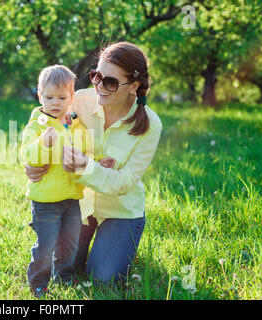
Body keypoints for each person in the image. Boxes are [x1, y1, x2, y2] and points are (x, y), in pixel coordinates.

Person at [24, 42, 163, 286]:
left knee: (103, 278)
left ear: (134, 86)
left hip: (120, 210)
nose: (98, 86)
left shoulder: (150, 124)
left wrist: (86, 166)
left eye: (110, 82)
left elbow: (124, 182)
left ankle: (120, 243)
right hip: (79, 206)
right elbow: (44, 115)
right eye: (96, 76)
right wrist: (31, 163)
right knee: (68, 266)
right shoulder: (80, 101)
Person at [20, 65, 114, 298]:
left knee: (69, 243)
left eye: (62, 97)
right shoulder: (38, 125)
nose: (55, 102)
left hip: (72, 198)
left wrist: (98, 162)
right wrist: (43, 144)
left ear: (72, 98)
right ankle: (38, 283)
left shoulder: (75, 125)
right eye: (49, 97)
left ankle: (63, 276)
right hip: (46, 200)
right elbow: (28, 155)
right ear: (40, 96)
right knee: (46, 245)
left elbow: (86, 152)